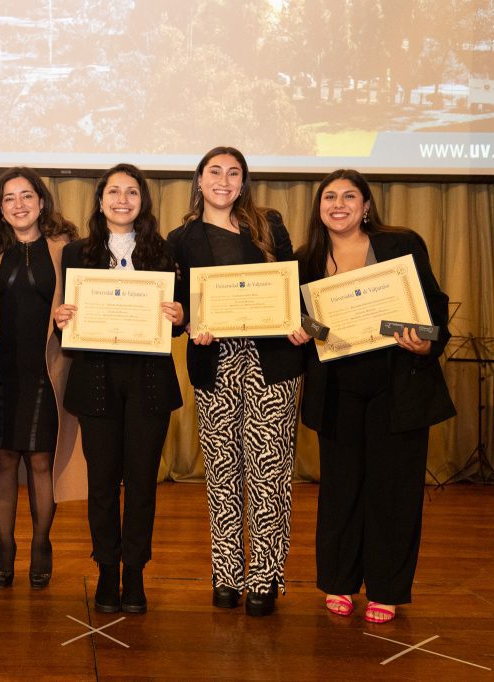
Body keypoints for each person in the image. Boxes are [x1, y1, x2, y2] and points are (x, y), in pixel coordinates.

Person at [295, 169, 455, 624]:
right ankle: (340, 582)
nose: (338, 204)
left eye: (349, 196)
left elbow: (434, 309)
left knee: (394, 490)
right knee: (341, 488)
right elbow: (302, 320)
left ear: (366, 206)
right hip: (337, 388)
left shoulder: (401, 244)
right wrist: (306, 329)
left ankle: (386, 589)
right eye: (330, 197)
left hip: (397, 383)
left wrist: (426, 343)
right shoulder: (306, 258)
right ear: (319, 207)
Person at [168, 146, 304, 617]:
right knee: (223, 472)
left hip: (273, 361)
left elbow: (293, 288)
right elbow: (178, 307)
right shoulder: (179, 238)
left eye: (233, 173)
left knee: (269, 471)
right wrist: (189, 323)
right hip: (215, 360)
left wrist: (299, 321)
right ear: (199, 179)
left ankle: (265, 578)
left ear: (243, 182)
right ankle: (226, 575)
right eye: (214, 171)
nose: (223, 180)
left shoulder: (268, 225)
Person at [53, 163, 184, 614]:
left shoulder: (164, 252)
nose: (122, 200)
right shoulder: (77, 252)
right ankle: (107, 570)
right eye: (114, 191)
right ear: (100, 200)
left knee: (143, 483)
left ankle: (135, 572)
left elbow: (177, 324)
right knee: (103, 483)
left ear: (142, 201)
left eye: (131, 192)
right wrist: (62, 319)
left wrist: (179, 317)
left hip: (149, 380)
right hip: (96, 378)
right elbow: (66, 316)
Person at [0, 167, 86, 589]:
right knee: (4, 459)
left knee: (43, 460)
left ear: (41, 202)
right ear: (0, 208)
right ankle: (6, 545)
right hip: (0, 369)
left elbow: (86, 302)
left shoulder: (67, 249)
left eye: (26, 196)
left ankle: (42, 542)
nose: (19, 205)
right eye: (9, 198)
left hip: (48, 367)